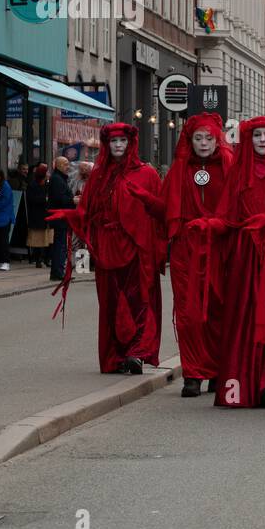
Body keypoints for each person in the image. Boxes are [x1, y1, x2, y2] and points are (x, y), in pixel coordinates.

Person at [199, 117, 265, 408]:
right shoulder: (238, 175)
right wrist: (208, 227)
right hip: (246, 254)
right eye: (257, 135)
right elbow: (227, 216)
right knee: (244, 317)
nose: (263, 140)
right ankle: (243, 382)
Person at [51, 124, 165, 374]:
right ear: (107, 144)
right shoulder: (99, 175)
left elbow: (160, 213)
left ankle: (136, 352)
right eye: (113, 141)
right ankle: (115, 356)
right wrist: (71, 216)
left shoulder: (147, 174)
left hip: (137, 250)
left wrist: (158, 249)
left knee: (138, 301)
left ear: (130, 142)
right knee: (111, 303)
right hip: (107, 249)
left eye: (122, 140)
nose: (118, 145)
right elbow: (88, 212)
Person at [161, 114, 234, 398]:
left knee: (218, 310)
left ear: (218, 140)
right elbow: (165, 208)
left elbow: (237, 208)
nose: (204, 144)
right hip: (186, 250)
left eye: (209, 138)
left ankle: (217, 370)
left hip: (220, 248)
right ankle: (193, 372)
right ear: (190, 141)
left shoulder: (230, 166)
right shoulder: (179, 169)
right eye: (198, 139)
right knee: (189, 314)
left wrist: (218, 225)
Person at [47, 157, 75, 281]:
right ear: (57, 165)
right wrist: (73, 200)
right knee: (60, 245)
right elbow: (60, 199)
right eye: (65, 164)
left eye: (68, 164)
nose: (67, 166)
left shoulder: (60, 179)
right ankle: (58, 272)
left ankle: (58, 271)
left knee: (62, 244)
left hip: (62, 216)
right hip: (59, 216)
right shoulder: (57, 179)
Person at [25, 164, 51, 267]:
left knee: (47, 238)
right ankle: (38, 259)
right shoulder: (33, 185)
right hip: (37, 216)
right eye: (47, 172)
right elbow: (31, 199)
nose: (49, 174)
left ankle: (46, 258)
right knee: (37, 239)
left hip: (46, 215)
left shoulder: (47, 184)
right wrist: (44, 200)